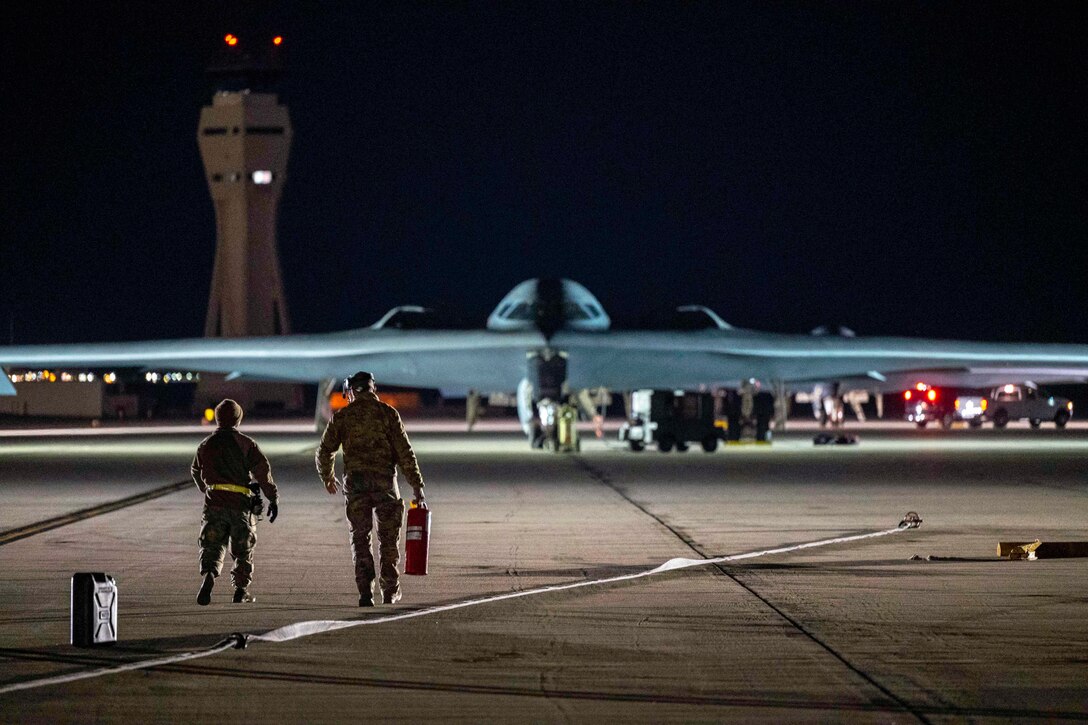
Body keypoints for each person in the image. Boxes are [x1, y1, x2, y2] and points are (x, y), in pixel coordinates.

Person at [316, 371, 425, 607]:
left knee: (360, 539)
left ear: (351, 391)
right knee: (388, 541)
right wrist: (417, 486)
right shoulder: (388, 414)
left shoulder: (343, 416)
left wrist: (328, 476)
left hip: (356, 486)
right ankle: (389, 591)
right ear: (372, 389)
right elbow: (405, 453)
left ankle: (365, 593)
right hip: (385, 484)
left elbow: (324, 451)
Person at [190, 399, 278, 605]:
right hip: (240, 505)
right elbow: (263, 473)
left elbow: (195, 470)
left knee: (212, 544)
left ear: (218, 419)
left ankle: (209, 576)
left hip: (214, 504)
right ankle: (240, 590)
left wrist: (205, 488)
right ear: (238, 419)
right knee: (243, 549)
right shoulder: (247, 444)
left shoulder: (206, 444)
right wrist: (273, 498)